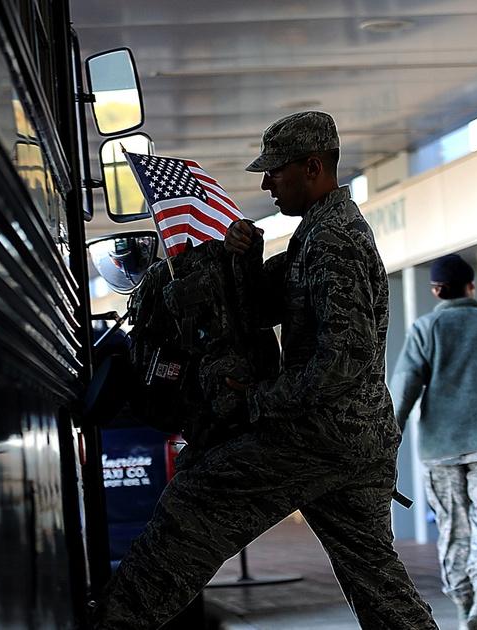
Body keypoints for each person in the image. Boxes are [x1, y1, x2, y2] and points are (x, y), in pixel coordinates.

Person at [92, 111, 436, 629]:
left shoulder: (334, 241)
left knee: (193, 506)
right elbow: (258, 304)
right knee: (379, 586)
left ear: (313, 167)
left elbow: (343, 359)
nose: (266, 182)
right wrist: (242, 259)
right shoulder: (315, 236)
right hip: (350, 442)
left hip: (319, 436)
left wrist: (258, 398)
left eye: (276, 171)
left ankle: (115, 623)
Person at [390, 254, 477, 630]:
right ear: (471, 286)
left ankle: (465, 610)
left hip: (441, 450)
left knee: (453, 528)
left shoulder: (425, 328)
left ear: (436, 291)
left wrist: (387, 445)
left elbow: (403, 393)